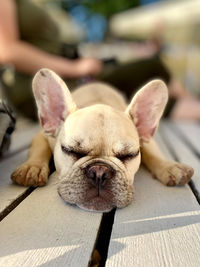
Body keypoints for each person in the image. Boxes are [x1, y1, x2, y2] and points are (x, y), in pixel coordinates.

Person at [1, 0, 199, 121]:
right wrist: (74, 68)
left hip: (60, 79)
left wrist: (79, 61)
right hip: (39, 90)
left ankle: (192, 108)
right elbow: (7, 50)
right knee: (152, 68)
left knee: (141, 87)